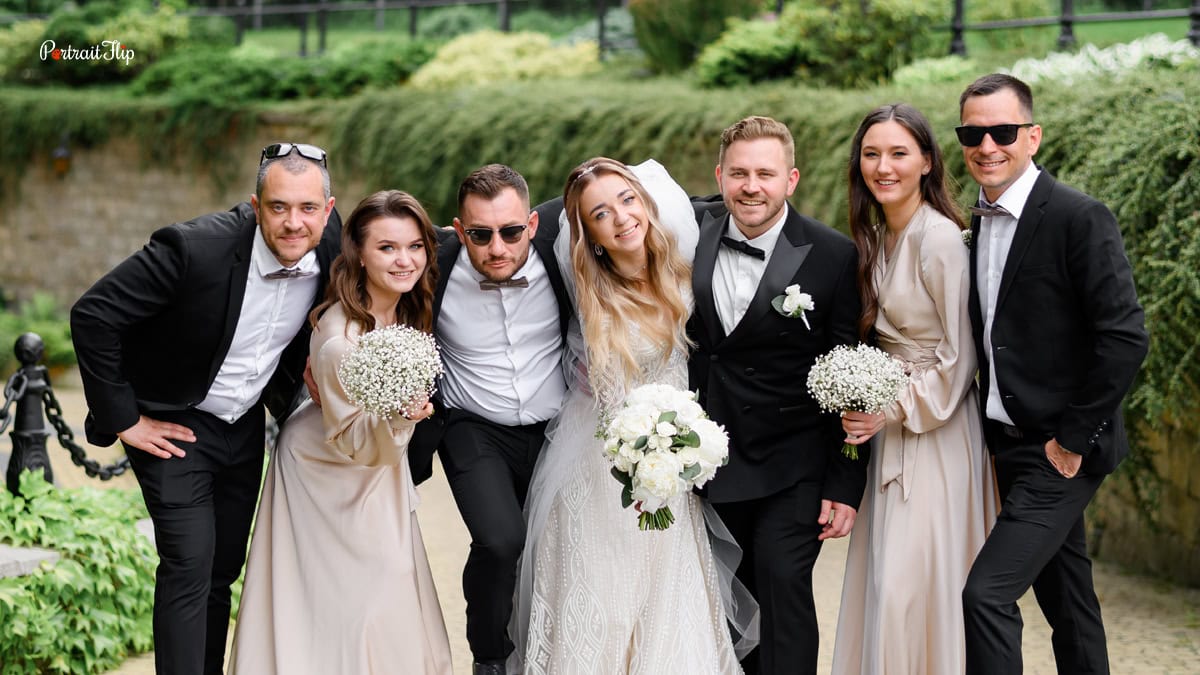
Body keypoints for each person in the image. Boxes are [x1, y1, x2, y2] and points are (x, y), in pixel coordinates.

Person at [69, 142, 341, 675]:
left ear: (328, 211)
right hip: (175, 419)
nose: (293, 223)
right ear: (255, 205)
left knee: (221, 570)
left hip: (244, 427)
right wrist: (125, 418)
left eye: (308, 208)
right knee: (189, 563)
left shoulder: (333, 245)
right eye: (278, 207)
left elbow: (403, 252)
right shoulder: (194, 249)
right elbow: (93, 315)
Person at [513, 157, 748, 674]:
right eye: (601, 213)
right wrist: (642, 461)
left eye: (626, 200)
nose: (621, 217)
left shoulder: (685, 272)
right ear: (590, 234)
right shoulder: (595, 299)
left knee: (666, 601)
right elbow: (609, 401)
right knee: (609, 603)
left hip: (670, 464)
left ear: (645, 202)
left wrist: (674, 454)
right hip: (608, 467)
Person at [956, 74, 1148, 674]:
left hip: (1057, 451)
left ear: (1032, 136)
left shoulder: (1078, 217)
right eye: (973, 133)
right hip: (1004, 445)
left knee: (985, 595)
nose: (988, 146)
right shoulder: (977, 220)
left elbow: (1124, 337)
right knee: (1068, 601)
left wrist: (1070, 442)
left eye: (1003, 132)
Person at [227, 190, 452, 674]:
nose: (404, 259)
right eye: (387, 248)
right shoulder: (339, 340)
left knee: (386, 591)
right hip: (326, 467)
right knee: (355, 600)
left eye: (414, 246)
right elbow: (356, 438)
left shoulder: (406, 305)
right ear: (359, 254)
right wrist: (404, 416)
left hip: (377, 463)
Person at [688, 116, 866, 675]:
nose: (750, 186)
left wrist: (845, 483)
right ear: (719, 176)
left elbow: (848, 378)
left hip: (795, 461)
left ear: (790, 179)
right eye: (738, 173)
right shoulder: (689, 231)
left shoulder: (833, 255)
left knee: (783, 581)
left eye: (765, 173)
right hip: (713, 460)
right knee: (732, 598)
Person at [830, 103, 999, 674]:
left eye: (899, 153)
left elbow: (960, 357)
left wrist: (891, 407)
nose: (883, 166)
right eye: (872, 153)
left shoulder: (940, 238)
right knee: (886, 583)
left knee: (916, 585)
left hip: (935, 432)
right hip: (887, 435)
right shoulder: (876, 238)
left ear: (927, 161)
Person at [412, 164, 572, 675]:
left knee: (560, 552)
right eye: (480, 235)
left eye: (510, 232)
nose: (497, 247)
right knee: (501, 539)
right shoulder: (429, 264)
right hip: (472, 428)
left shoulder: (563, 249)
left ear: (532, 224)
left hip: (557, 431)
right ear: (459, 231)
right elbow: (358, 246)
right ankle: (490, 657)